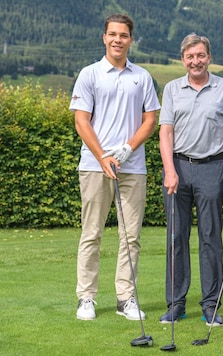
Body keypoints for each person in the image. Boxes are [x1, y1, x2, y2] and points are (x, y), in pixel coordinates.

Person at [69, 13, 160, 321]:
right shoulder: (90, 74)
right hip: (95, 166)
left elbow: (151, 120)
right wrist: (103, 156)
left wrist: (127, 148)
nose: (118, 40)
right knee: (91, 232)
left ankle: (126, 298)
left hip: (132, 167)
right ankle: (86, 298)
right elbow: (81, 121)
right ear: (104, 38)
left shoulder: (143, 77)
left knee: (130, 235)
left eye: (123, 35)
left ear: (130, 40)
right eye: (113, 34)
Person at [158, 33, 223, 327]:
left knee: (210, 238)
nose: (196, 61)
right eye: (190, 56)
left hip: (212, 169)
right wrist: (169, 170)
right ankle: (176, 304)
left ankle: (210, 304)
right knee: (176, 238)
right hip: (178, 168)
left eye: (201, 55)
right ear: (183, 60)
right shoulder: (171, 89)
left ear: (209, 57)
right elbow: (165, 132)